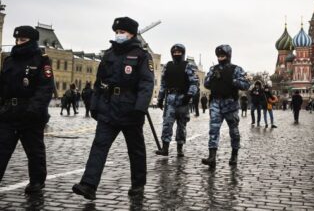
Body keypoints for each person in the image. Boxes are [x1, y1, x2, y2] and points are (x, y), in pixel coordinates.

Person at [72, 17, 154, 199]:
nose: (118, 35)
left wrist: (140, 108)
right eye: (117, 32)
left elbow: (147, 83)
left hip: (130, 109)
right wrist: (94, 105)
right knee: (99, 146)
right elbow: (99, 82)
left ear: (132, 34)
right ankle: (88, 185)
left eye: (122, 32)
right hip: (108, 108)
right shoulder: (109, 54)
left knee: (136, 149)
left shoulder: (141, 56)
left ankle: (138, 185)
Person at [0, 26, 54, 193]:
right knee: (1, 148)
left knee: (34, 151)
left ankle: (37, 182)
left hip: (31, 114)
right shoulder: (9, 60)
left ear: (32, 40)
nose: (18, 43)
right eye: (17, 40)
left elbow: (45, 88)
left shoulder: (42, 60)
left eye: (22, 40)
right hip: (9, 112)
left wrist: (34, 110)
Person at [201, 45, 250, 168]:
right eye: (219, 56)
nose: (220, 58)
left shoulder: (236, 69)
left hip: (230, 104)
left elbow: (246, 84)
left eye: (223, 55)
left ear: (228, 56)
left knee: (234, 131)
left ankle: (234, 154)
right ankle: (212, 157)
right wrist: (212, 77)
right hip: (216, 103)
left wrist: (232, 80)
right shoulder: (213, 69)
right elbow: (206, 84)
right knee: (213, 130)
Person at [156, 44, 198, 157]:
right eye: (174, 53)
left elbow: (194, 83)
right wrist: (160, 98)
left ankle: (180, 148)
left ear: (183, 53)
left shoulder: (188, 66)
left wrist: (189, 96)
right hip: (170, 99)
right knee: (167, 124)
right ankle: (165, 148)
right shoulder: (167, 66)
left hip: (182, 99)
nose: (176, 54)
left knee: (181, 125)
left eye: (179, 52)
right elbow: (163, 84)